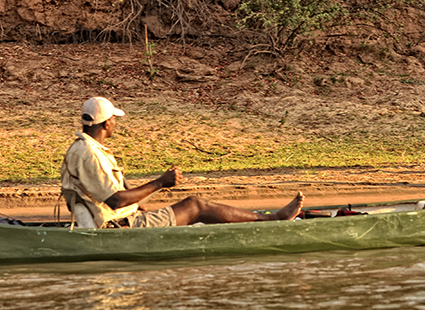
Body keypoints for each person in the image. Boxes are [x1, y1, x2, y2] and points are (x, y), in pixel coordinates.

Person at [61, 97, 304, 228]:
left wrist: (138, 204)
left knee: (194, 210)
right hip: (119, 226)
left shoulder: (84, 149)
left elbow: (113, 195)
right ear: (106, 124)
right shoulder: (89, 153)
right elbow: (114, 200)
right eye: (114, 119)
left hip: (116, 218)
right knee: (195, 205)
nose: (116, 123)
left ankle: (260, 219)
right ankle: (273, 219)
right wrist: (160, 183)